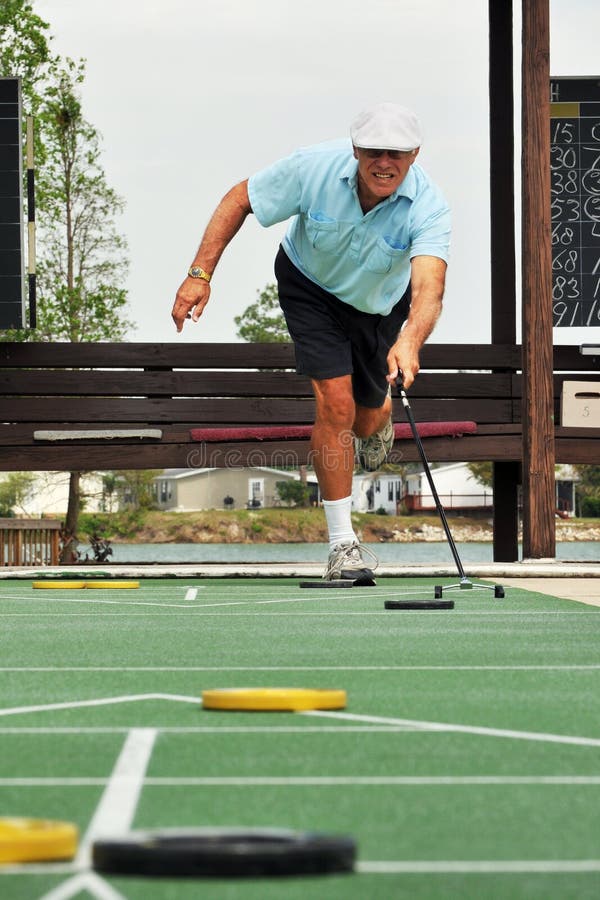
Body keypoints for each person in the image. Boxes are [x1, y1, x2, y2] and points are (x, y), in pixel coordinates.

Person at [172, 102, 450, 582]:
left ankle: (379, 414)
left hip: (379, 307)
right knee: (334, 403)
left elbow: (429, 287)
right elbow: (240, 198)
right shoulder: (313, 168)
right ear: (356, 149)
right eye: (374, 152)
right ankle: (344, 546)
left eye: (397, 154)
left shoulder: (429, 206)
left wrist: (409, 340)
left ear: (415, 154)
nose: (385, 163)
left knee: (365, 417)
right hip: (309, 285)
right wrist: (199, 274)